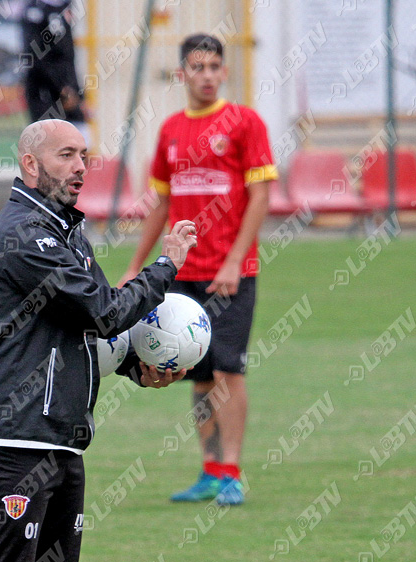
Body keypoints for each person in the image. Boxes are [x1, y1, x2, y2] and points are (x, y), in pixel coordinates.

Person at [0, 119, 197, 562]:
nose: (80, 167)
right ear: (30, 164)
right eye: (65, 155)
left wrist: (136, 367)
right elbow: (106, 311)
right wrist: (166, 267)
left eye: (84, 155)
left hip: (61, 438)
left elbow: (86, 326)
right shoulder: (25, 235)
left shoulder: (67, 232)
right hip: (12, 440)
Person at [119, 34, 277, 506]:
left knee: (229, 370)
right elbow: (162, 203)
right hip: (183, 273)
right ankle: (209, 471)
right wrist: (135, 265)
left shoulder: (245, 123)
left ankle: (231, 472)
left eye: (214, 66)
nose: (207, 75)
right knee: (199, 371)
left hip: (229, 272)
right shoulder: (170, 131)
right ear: (182, 74)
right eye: (198, 67)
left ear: (224, 72)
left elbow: (261, 197)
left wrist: (234, 260)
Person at [21, 0, 87, 133]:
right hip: (44, 91)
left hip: (67, 89)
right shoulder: (35, 10)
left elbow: (68, 55)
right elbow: (35, 56)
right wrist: (62, 88)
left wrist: (76, 91)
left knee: (81, 135)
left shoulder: (65, 6)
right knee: (50, 140)